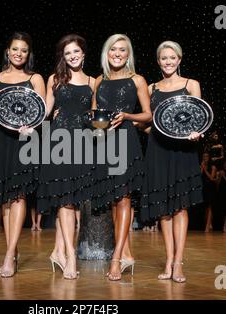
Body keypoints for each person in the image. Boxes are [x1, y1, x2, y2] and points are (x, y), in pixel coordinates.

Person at [0, 32, 45, 278]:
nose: (19, 53)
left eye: (24, 50)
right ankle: (13, 250)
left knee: (18, 196)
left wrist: (31, 127)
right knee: (5, 199)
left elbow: (42, 114)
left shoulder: (35, 78)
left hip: (23, 141)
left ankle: (8, 256)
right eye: (15, 49)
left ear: (28, 54)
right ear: (7, 51)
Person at [140, 40, 203, 283]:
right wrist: (153, 129)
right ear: (158, 61)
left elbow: (199, 118)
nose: (168, 61)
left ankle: (178, 263)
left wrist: (196, 133)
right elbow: (147, 124)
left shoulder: (191, 84)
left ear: (179, 59)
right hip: (158, 151)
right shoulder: (151, 87)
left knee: (179, 207)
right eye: (164, 58)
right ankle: (168, 260)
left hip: (183, 152)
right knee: (162, 210)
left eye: (172, 57)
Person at [92, 34, 151, 281]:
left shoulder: (137, 79)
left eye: (122, 50)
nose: (117, 54)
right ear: (107, 53)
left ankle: (116, 259)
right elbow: (94, 115)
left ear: (129, 55)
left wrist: (128, 116)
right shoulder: (99, 80)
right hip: (103, 143)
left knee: (124, 199)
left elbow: (148, 115)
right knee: (113, 202)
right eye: (113, 49)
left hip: (126, 142)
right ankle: (126, 253)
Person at [36, 34, 95, 280]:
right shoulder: (55, 79)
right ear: (64, 56)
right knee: (65, 201)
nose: (72, 56)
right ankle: (71, 256)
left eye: (76, 52)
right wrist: (25, 121)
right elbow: (45, 111)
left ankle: (58, 252)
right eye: (67, 53)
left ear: (83, 54)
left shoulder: (93, 81)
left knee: (74, 201)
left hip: (82, 145)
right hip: (58, 144)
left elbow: (94, 116)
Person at [201, 152, 217, 232]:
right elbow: (199, 176)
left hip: (210, 188)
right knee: (206, 208)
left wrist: (205, 170)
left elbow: (211, 178)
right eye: (204, 156)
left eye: (206, 156)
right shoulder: (202, 166)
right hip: (204, 188)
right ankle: (209, 223)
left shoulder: (213, 167)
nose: (205, 158)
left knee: (210, 206)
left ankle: (207, 226)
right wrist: (202, 168)